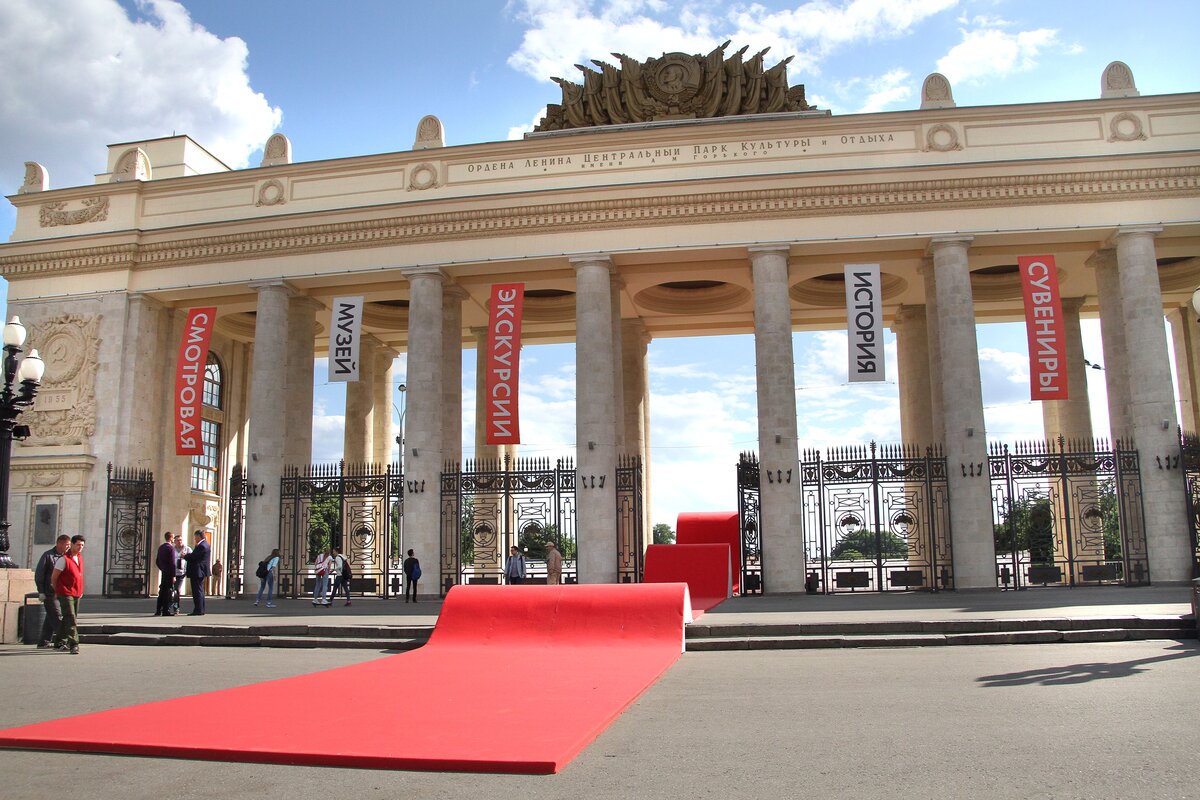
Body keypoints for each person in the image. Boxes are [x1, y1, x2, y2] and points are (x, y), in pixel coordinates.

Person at [50, 534, 86, 654]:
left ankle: (59, 641)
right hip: (65, 592)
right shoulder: (63, 559)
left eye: (82, 545)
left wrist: (81, 590)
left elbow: (79, 576)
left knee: (68, 617)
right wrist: (57, 591)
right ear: (72, 544)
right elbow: (54, 577)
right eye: (78, 545)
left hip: (76, 592)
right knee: (71, 617)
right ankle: (74, 643)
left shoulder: (79, 558)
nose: (80, 547)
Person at [33, 534, 70, 648]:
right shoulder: (48, 556)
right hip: (50, 593)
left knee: (50, 617)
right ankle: (62, 641)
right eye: (66, 544)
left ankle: (43, 641)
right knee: (57, 616)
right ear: (59, 543)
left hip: (62, 592)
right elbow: (40, 574)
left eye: (69, 544)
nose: (68, 547)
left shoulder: (67, 557)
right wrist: (41, 591)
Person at [182, 529, 211, 616]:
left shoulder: (201, 546)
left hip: (197, 571)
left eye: (195, 537)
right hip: (200, 571)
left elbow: (194, 557)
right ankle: (200, 609)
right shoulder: (205, 544)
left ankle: (198, 610)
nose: (195, 538)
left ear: (198, 536)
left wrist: (185, 556)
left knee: (197, 591)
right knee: (200, 591)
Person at [154, 531, 176, 616]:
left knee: (162, 591)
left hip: (164, 571)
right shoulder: (170, 548)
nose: (174, 539)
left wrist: (162, 568)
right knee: (167, 592)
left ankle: (158, 610)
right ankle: (166, 610)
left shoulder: (161, 547)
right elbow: (172, 563)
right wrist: (173, 575)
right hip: (169, 572)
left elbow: (157, 561)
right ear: (170, 538)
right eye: (173, 538)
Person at [171, 532, 190, 615]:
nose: (180, 542)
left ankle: (176, 607)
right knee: (171, 590)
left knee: (177, 590)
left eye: (181, 540)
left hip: (181, 573)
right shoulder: (172, 549)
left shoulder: (187, 549)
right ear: (174, 541)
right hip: (172, 572)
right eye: (178, 540)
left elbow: (191, 559)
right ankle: (169, 606)